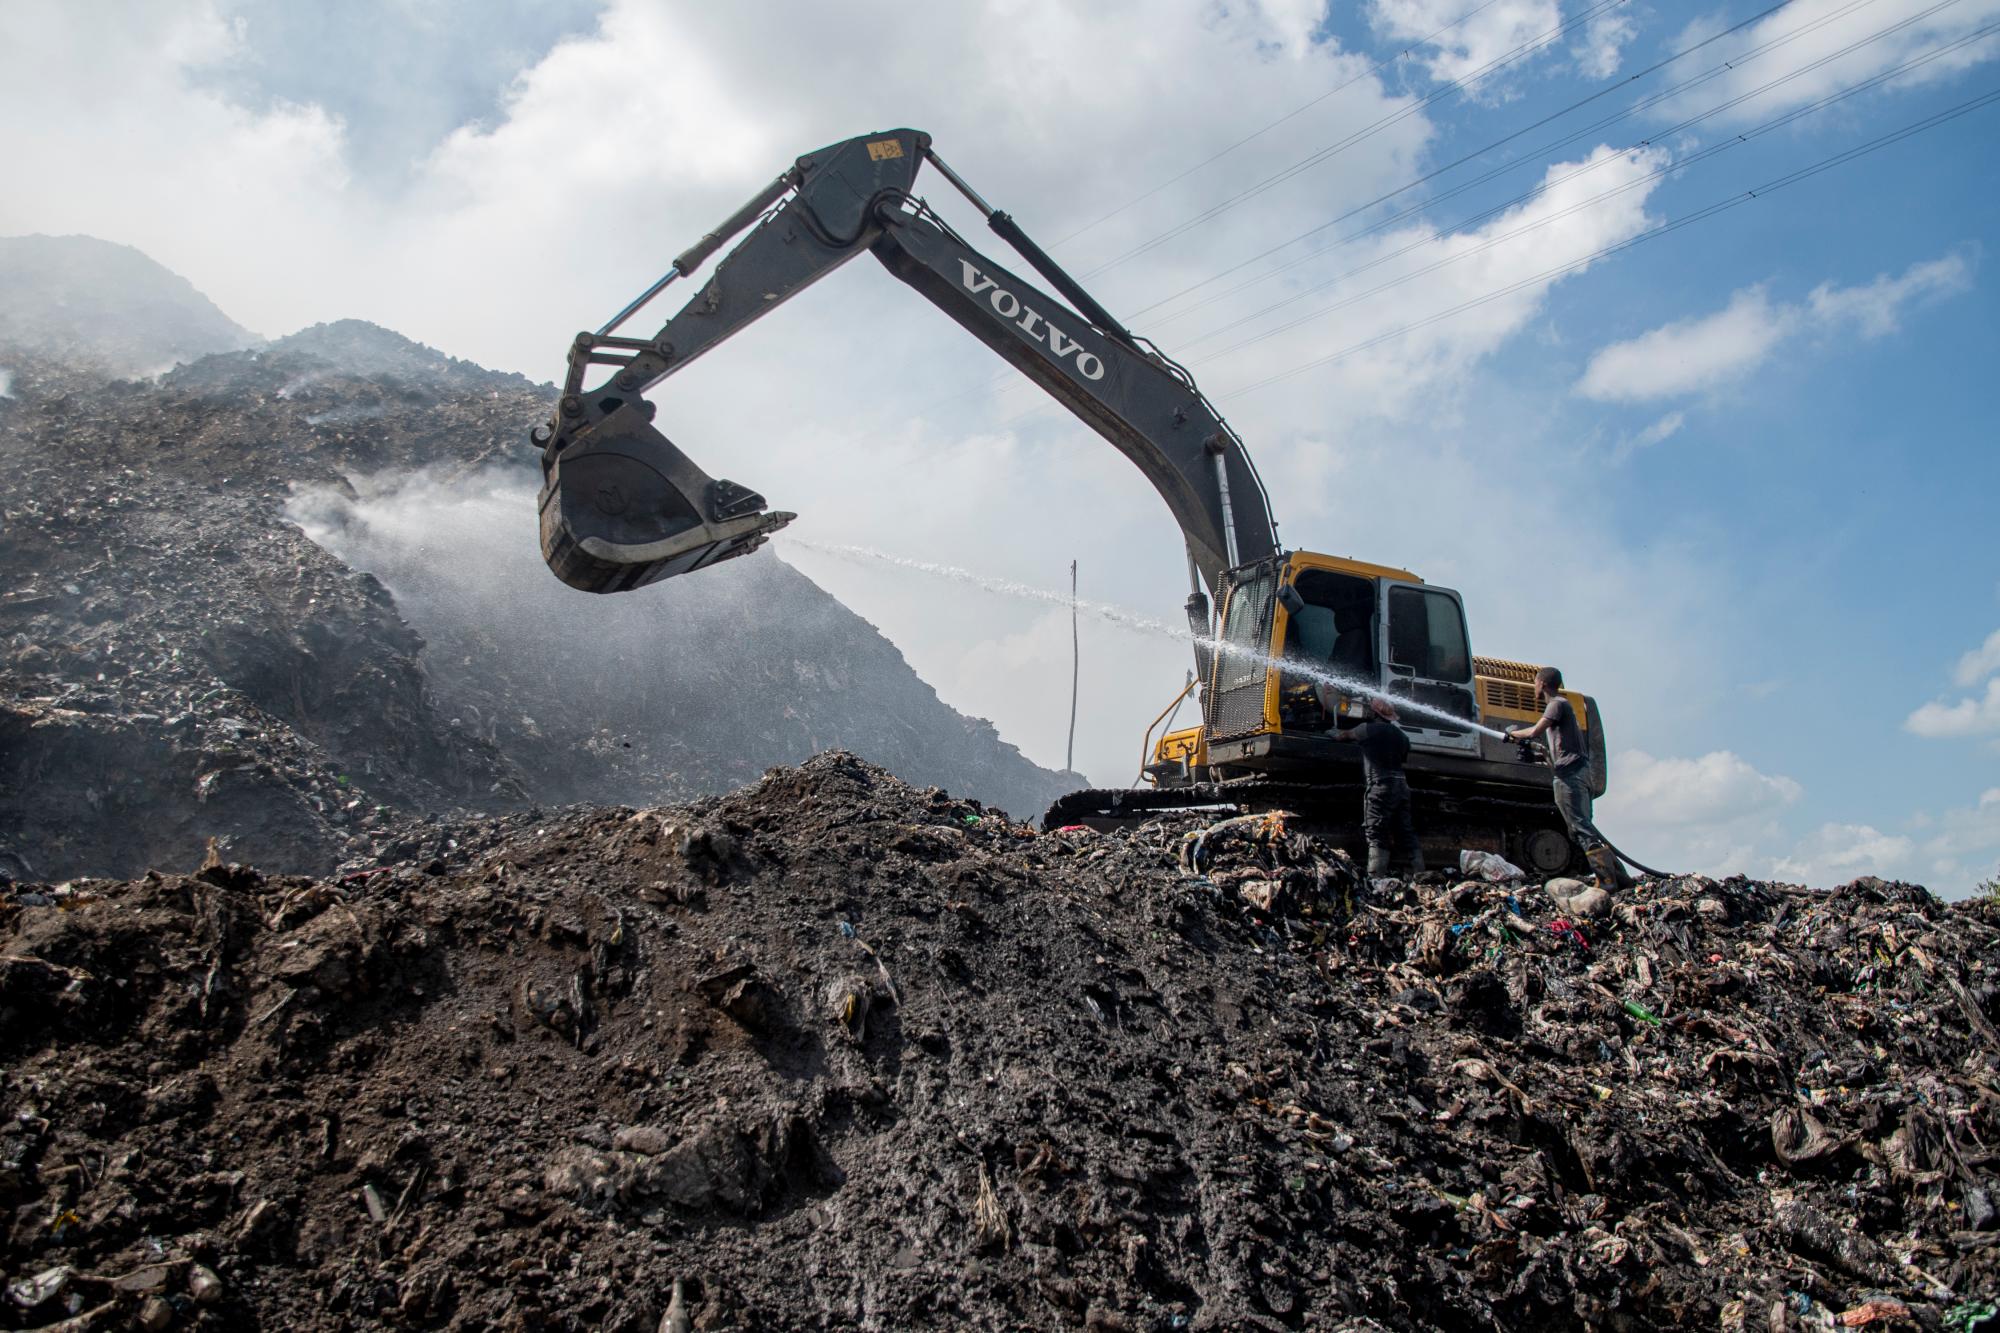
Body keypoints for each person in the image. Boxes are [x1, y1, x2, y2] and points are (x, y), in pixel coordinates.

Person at [1504, 666, 1630, 889]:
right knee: (1580, 829)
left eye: (1535, 683)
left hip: (1570, 777)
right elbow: (1552, 754)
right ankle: (1620, 878)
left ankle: (1607, 881)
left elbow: (1534, 731)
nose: (1534, 687)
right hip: (1575, 773)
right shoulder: (1562, 709)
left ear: (1542, 684)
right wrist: (1535, 755)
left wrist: (1512, 734)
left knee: (1580, 828)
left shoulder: (1556, 704)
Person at [1335, 695, 1424, 878]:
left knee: (1375, 831)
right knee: (1406, 831)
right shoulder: (1402, 737)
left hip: (1380, 784)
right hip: (1401, 785)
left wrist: (1332, 732)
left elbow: (1344, 736)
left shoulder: (1367, 729)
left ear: (1374, 714)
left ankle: (1376, 878)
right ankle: (1420, 873)